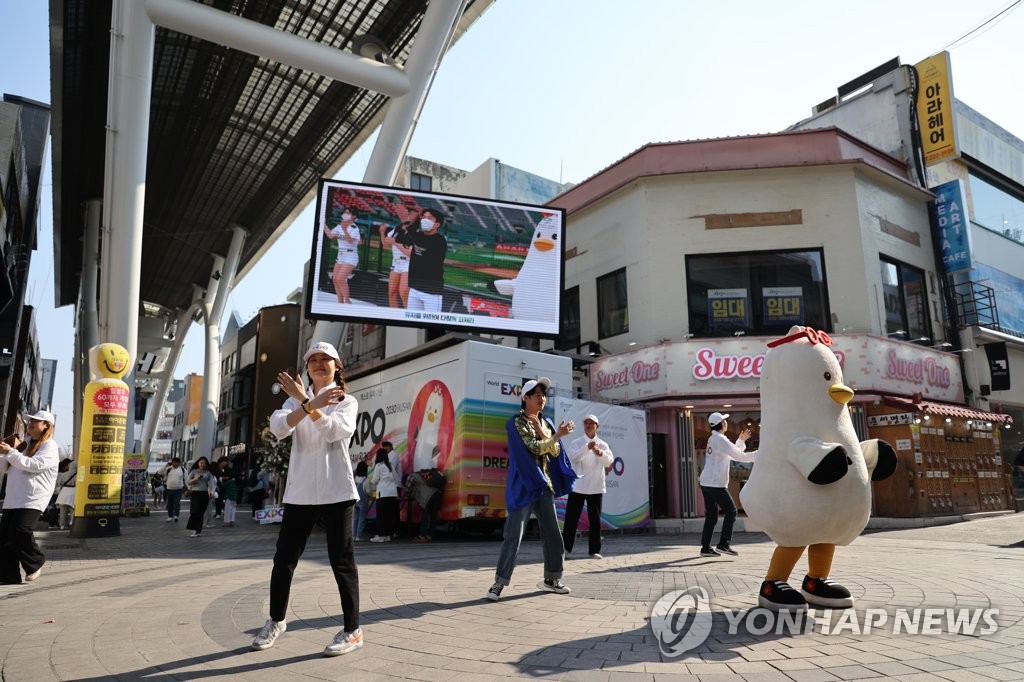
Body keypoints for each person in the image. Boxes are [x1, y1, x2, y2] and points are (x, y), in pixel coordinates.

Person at [251, 341, 362, 657]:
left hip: (336, 490)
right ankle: (276, 620)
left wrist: (305, 403)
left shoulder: (346, 401)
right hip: (300, 492)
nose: (318, 364)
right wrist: (305, 403)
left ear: (336, 366)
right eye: (312, 359)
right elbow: (278, 429)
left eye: (325, 359)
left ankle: (353, 630)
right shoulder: (292, 401)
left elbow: (332, 432)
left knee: (342, 561)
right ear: (307, 367)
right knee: (283, 559)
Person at [486, 377, 577, 602]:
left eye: (543, 395)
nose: (542, 399)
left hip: (544, 486)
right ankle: (499, 583)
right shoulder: (516, 422)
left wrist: (550, 435)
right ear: (525, 398)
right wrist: (554, 436)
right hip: (524, 485)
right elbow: (534, 447)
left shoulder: (546, 422)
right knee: (513, 536)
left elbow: (555, 452)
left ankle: (552, 578)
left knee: (553, 535)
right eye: (537, 395)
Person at [0, 410, 59, 584]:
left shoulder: (50, 446)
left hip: (33, 497)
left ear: (46, 426)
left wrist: (11, 452)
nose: (31, 424)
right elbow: (6, 466)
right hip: (13, 497)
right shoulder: (24, 443)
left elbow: (33, 465)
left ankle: (35, 562)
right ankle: (8, 575)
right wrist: (5, 453)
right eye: (30, 421)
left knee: (21, 530)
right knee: (4, 538)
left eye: (36, 422)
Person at [699, 412, 757, 557]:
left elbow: (733, 453)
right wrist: (760, 454)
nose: (726, 422)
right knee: (731, 511)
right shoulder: (721, 440)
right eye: (725, 421)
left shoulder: (715, 438)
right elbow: (739, 456)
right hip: (715, 483)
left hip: (707, 482)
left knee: (711, 516)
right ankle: (723, 544)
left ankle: (706, 548)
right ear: (721, 424)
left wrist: (741, 440)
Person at [562, 414, 614, 559]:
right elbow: (573, 457)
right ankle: (565, 549)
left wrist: (600, 452)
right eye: (586, 423)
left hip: (596, 487)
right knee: (571, 519)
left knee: (595, 520)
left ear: (597, 426)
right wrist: (587, 448)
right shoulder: (577, 442)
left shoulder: (603, 444)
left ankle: (594, 550)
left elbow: (609, 462)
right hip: (578, 486)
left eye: (592, 423)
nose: (588, 425)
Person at [394, 207, 448, 312]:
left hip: (431, 292)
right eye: (424, 217)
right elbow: (399, 239)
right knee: (413, 322)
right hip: (414, 289)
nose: (425, 220)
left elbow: (425, 252)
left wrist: (415, 222)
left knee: (432, 323)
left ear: (437, 224)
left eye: (429, 218)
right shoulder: (419, 235)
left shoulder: (440, 241)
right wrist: (409, 223)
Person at [323, 207, 361, 304]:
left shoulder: (354, 228)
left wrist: (344, 229)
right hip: (341, 255)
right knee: (335, 279)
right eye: (344, 212)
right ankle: (340, 302)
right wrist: (323, 225)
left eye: (348, 213)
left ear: (354, 216)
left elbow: (350, 240)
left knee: (340, 278)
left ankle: (347, 301)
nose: (345, 214)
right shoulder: (339, 226)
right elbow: (331, 235)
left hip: (351, 256)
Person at [407, 467, 445, 542]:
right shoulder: (426, 475)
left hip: (427, 497)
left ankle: (422, 536)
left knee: (424, 515)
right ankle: (430, 536)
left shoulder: (411, 476)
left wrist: (409, 494)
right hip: (438, 494)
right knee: (433, 516)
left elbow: (407, 489)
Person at [369, 448, 398, 543]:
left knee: (381, 515)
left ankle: (381, 535)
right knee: (389, 515)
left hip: (383, 493)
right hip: (393, 493)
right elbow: (395, 478)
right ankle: (387, 535)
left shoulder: (378, 465)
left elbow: (375, 479)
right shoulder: (391, 465)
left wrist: (370, 481)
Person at [379, 222, 411, 307]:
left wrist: (395, 243)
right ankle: (394, 316)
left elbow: (411, 254)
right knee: (392, 292)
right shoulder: (396, 230)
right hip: (396, 263)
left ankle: (408, 315)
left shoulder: (415, 231)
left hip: (408, 263)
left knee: (403, 292)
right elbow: (386, 245)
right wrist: (382, 233)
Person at [185, 457, 216, 538]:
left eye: (204, 463)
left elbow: (212, 483)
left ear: (206, 464)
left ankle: (197, 531)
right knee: (194, 511)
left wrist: (212, 492)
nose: (202, 464)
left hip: (204, 494)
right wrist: (195, 479)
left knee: (201, 513)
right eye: (201, 463)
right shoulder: (194, 471)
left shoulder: (208, 473)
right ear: (198, 463)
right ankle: (193, 528)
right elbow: (188, 482)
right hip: (195, 494)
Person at [55, 457, 77, 530]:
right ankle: (72, 523)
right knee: (73, 510)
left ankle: (62, 525)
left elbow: (58, 483)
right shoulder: (78, 475)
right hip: (74, 492)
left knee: (63, 510)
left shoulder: (64, 474)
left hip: (64, 492)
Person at [163, 458, 186, 522]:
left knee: (176, 502)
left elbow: (186, 479)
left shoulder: (183, 470)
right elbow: (160, 473)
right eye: (174, 462)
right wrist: (166, 465)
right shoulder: (168, 469)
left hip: (178, 489)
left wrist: (188, 488)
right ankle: (170, 516)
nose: (175, 463)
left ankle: (176, 516)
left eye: (177, 462)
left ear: (179, 463)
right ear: (172, 462)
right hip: (169, 489)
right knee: (169, 503)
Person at [352, 460, 370, 541]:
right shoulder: (365, 480)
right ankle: (359, 536)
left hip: (355, 502)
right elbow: (368, 491)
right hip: (363, 502)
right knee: (362, 519)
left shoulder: (355, 479)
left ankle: (353, 536)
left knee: (355, 519)